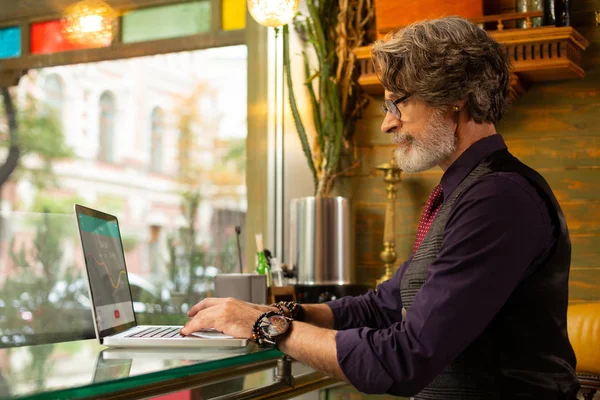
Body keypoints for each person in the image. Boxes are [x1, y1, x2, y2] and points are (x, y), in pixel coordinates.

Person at [180, 16, 579, 399]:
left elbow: (404, 360)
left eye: (397, 104)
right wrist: (278, 312)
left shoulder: (497, 199)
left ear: (454, 97)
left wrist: (266, 326)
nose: (387, 124)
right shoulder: (468, 192)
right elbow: (383, 305)